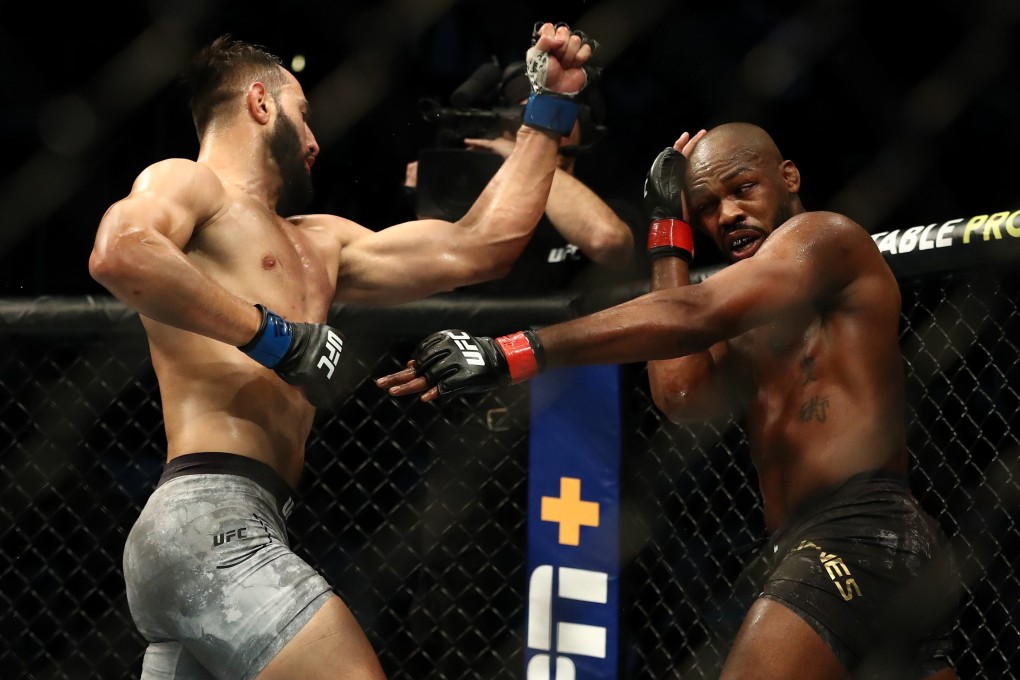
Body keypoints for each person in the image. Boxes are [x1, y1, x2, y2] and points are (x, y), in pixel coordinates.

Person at [88, 23, 595, 680]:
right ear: (260, 105)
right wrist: (274, 335)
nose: (316, 142)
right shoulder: (187, 183)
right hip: (207, 519)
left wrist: (548, 110)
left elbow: (482, 246)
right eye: (303, 116)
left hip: (246, 525)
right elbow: (120, 253)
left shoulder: (319, 244)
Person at [377, 122, 962, 679]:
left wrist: (512, 351)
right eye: (706, 206)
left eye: (743, 190)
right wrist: (667, 232)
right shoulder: (748, 309)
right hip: (830, 544)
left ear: (789, 176)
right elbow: (682, 394)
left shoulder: (827, 239)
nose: (727, 214)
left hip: (859, 532)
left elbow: (690, 315)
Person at [405, 58, 646, 296]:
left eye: (555, 116)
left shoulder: (615, 206)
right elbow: (433, 291)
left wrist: (527, 157)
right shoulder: (482, 212)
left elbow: (607, 242)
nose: (542, 130)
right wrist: (430, 215)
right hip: (488, 333)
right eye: (527, 117)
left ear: (583, 121)